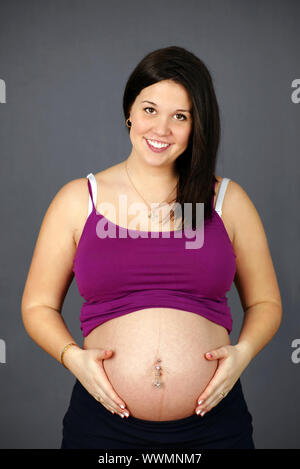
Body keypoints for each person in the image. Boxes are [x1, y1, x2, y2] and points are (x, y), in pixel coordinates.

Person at [21, 46, 282, 449]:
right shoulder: (78, 199)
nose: (161, 129)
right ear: (129, 110)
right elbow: (37, 306)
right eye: (150, 110)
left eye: (180, 116)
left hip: (213, 427)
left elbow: (266, 302)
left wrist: (242, 355)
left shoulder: (228, 200)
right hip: (104, 425)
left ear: (197, 126)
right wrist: (74, 358)